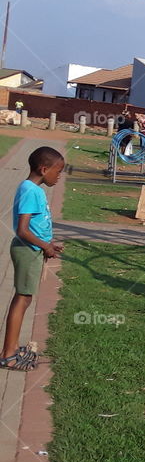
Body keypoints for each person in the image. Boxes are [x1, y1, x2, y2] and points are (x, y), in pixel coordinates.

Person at [3, 147, 64, 370]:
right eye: (57, 172)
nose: (59, 176)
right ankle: (8, 354)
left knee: (25, 298)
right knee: (22, 299)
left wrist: (48, 244)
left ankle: (11, 347)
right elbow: (23, 230)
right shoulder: (31, 191)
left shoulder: (33, 189)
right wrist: (44, 246)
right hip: (27, 250)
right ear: (44, 169)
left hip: (32, 250)